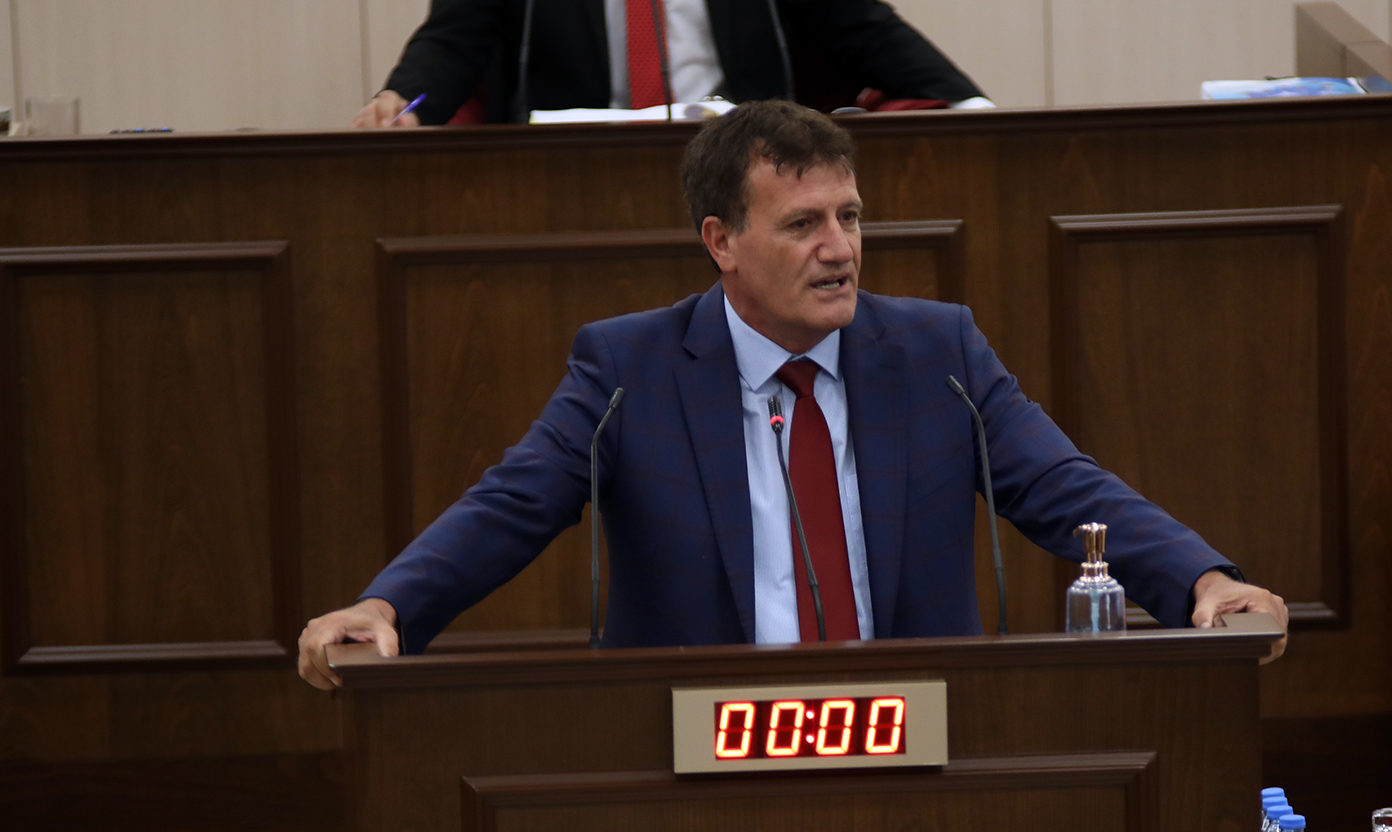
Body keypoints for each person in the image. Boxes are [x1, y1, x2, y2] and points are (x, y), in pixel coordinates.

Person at [300, 100, 1286, 689]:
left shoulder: (935, 351)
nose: (839, 248)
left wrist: (1202, 582)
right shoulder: (630, 369)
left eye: (849, 217)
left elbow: (1065, 485)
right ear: (722, 242)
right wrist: (387, 607)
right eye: (803, 224)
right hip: (704, 754)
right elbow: (510, 505)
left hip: (920, 737)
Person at [353, 0, 991, 127]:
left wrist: (970, 104)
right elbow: (455, 38)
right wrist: (403, 103)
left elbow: (859, 26)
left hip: (744, 153)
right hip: (566, 165)